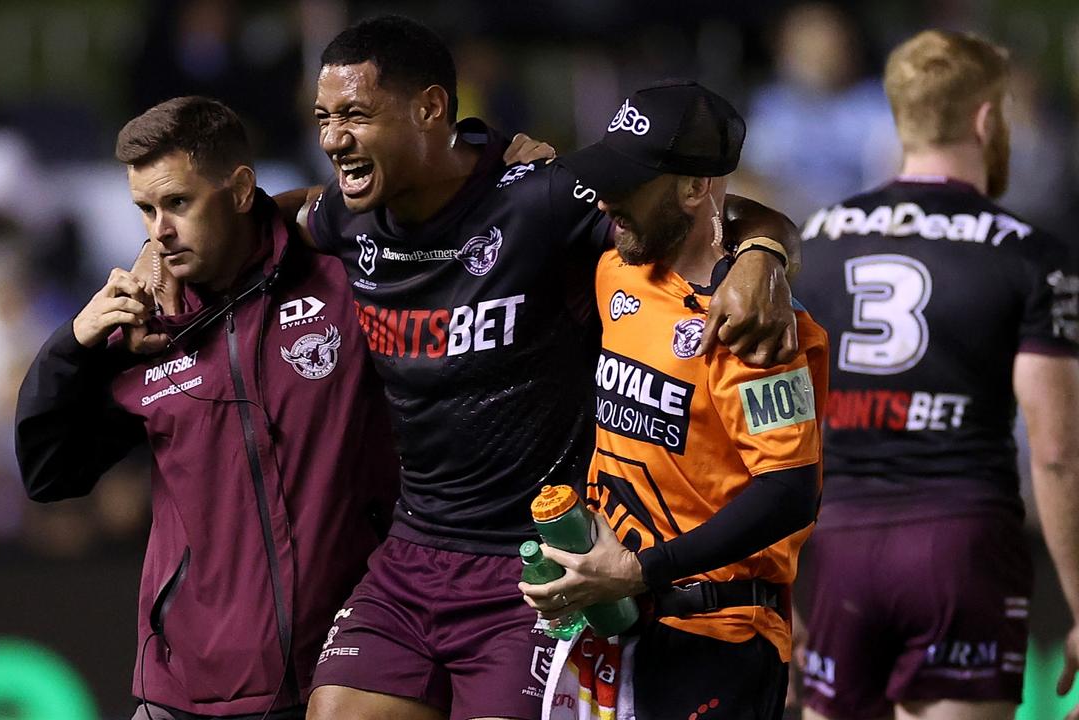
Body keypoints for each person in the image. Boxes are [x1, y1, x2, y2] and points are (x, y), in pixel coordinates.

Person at [276, 16, 805, 720]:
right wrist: (169, 247)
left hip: (538, 564)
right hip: (414, 555)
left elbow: (710, 213)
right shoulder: (348, 217)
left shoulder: (551, 207)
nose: (332, 138)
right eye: (324, 117)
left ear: (431, 109)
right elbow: (275, 215)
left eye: (354, 114)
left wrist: (764, 252)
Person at [14, 96, 399, 720]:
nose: (158, 231)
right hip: (185, 691)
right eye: (145, 209)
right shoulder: (143, 326)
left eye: (178, 203)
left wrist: (496, 155)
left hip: (339, 678)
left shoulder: (341, 274)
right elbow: (49, 473)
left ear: (241, 188)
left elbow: (416, 195)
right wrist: (72, 345)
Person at [793, 30, 1079, 720]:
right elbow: (1056, 450)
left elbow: (779, 422)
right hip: (961, 544)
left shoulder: (813, 242)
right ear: (987, 119)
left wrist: (779, 583)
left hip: (840, 548)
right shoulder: (1030, 254)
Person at [520, 80, 828, 719]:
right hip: (612, 624)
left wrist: (641, 571)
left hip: (716, 635)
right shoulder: (618, 267)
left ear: (693, 189)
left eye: (629, 181)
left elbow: (792, 490)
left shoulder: (753, 320)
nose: (607, 198)